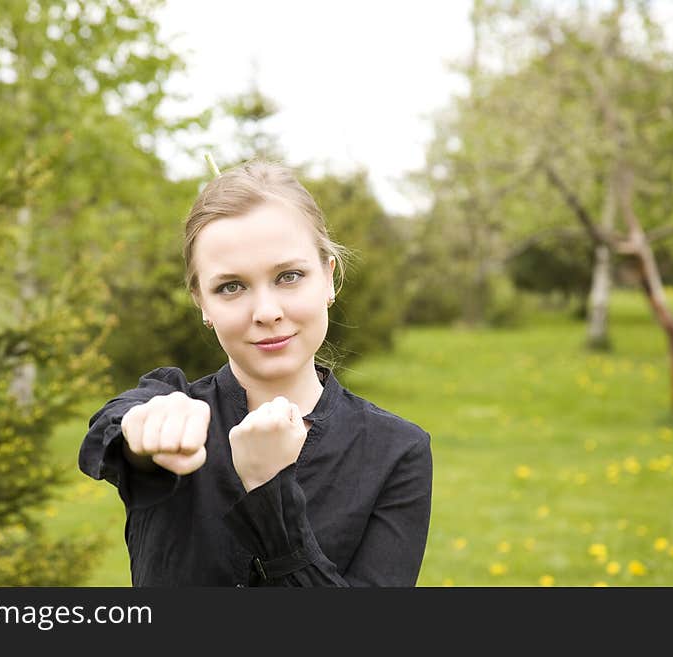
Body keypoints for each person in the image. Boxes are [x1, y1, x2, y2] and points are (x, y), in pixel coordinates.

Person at [78, 159, 432, 586]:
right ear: (202, 302)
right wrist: (143, 429)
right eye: (231, 287)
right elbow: (112, 430)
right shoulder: (176, 412)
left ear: (328, 280)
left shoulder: (395, 451)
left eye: (289, 276)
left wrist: (269, 489)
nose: (266, 312)